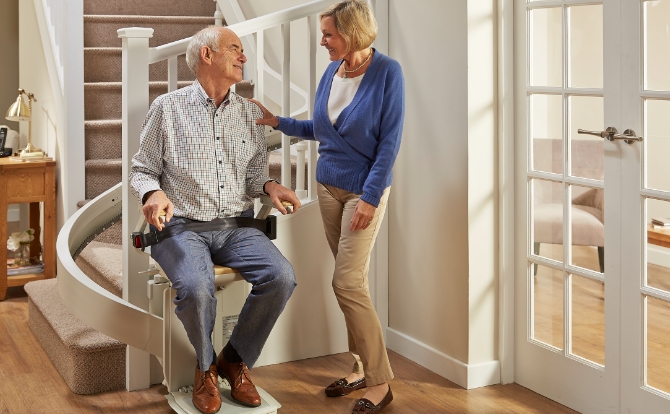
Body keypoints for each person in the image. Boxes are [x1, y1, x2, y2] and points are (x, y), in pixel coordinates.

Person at [129, 26, 300, 414]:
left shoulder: (250, 113)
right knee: (196, 285)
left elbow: (256, 174)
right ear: (207, 56)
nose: (243, 57)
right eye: (235, 50)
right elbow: (141, 169)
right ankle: (205, 367)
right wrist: (152, 193)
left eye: (242, 51)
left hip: (235, 227)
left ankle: (234, 359)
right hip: (181, 228)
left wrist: (271, 187)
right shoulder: (167, 108)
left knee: (282, 276)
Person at [253, 1, 404, 413]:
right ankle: (359, 368)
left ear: (353, 33)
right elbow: (322, 130)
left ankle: (379, 383)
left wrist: (371, 197)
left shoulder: (387, 72)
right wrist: (279, 122)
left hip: (363, 193)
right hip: (326, 188)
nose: (322, 42)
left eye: (328, 35)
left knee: (347, 284)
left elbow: (389, 144)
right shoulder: (333, 71)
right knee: (352, 283)